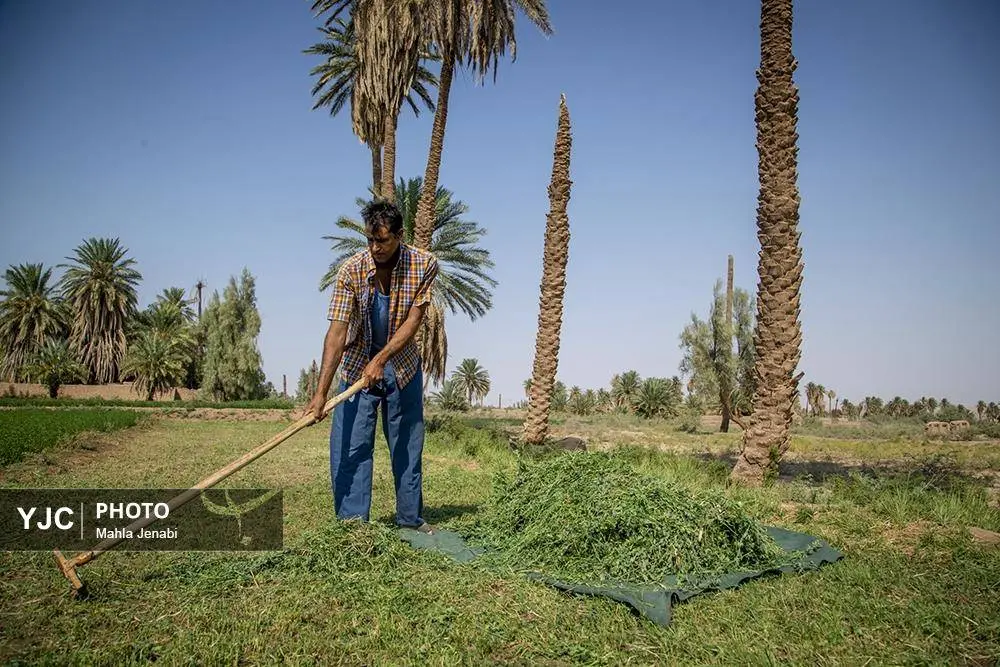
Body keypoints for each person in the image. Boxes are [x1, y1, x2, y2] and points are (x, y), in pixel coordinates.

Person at [306, 200, 439, 533]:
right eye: (370, 240)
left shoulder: (423, 265)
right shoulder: (351, 270)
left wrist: (381, 359)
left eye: (383, 240)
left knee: (407, 443)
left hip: (402, 364)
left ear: (400, 235)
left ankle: (410, 518)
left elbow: (414, 321)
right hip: (356, 365)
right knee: (351, 442)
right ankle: (353, 525)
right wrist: (320, 394)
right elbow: (337, 333)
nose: (375, 248)